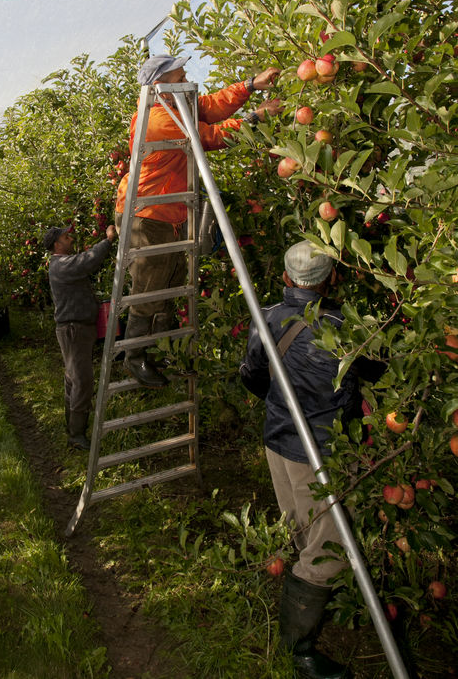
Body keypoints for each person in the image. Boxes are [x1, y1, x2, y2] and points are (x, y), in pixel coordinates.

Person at [240, 239, 383, 679]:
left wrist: (283, 404)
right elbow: (378, 372)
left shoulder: (266, 317)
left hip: (277, 441)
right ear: (331, 279)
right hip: (322, 454)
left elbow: (251, 375)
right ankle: (297, 649)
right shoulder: (347, 329)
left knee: (302, 531)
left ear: (286, 278)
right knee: (329, 550)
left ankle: (304, 612)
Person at [116, 52, 283, 388]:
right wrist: (255, 118)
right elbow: (209, 137)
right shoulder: (157, 120)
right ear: (159, 85)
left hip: (169, 212)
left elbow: (211, 105)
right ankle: (134, 356)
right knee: (150, 286)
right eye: (179, 77)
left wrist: (251, 85)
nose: (186, 80)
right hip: (145, 214)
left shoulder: (174, 107)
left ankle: (161, 349)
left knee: (171, 278)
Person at [45, 222, 116, 450]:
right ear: (57, 244)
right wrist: (108, 240)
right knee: (82, 381)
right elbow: (87, 261)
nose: (71, 239)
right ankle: (76, 434)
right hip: (73, 330)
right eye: (66, 237)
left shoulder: (61, 264)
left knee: (73, 378)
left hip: (76, 328)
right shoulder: (61, 265)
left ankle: (72, 427)